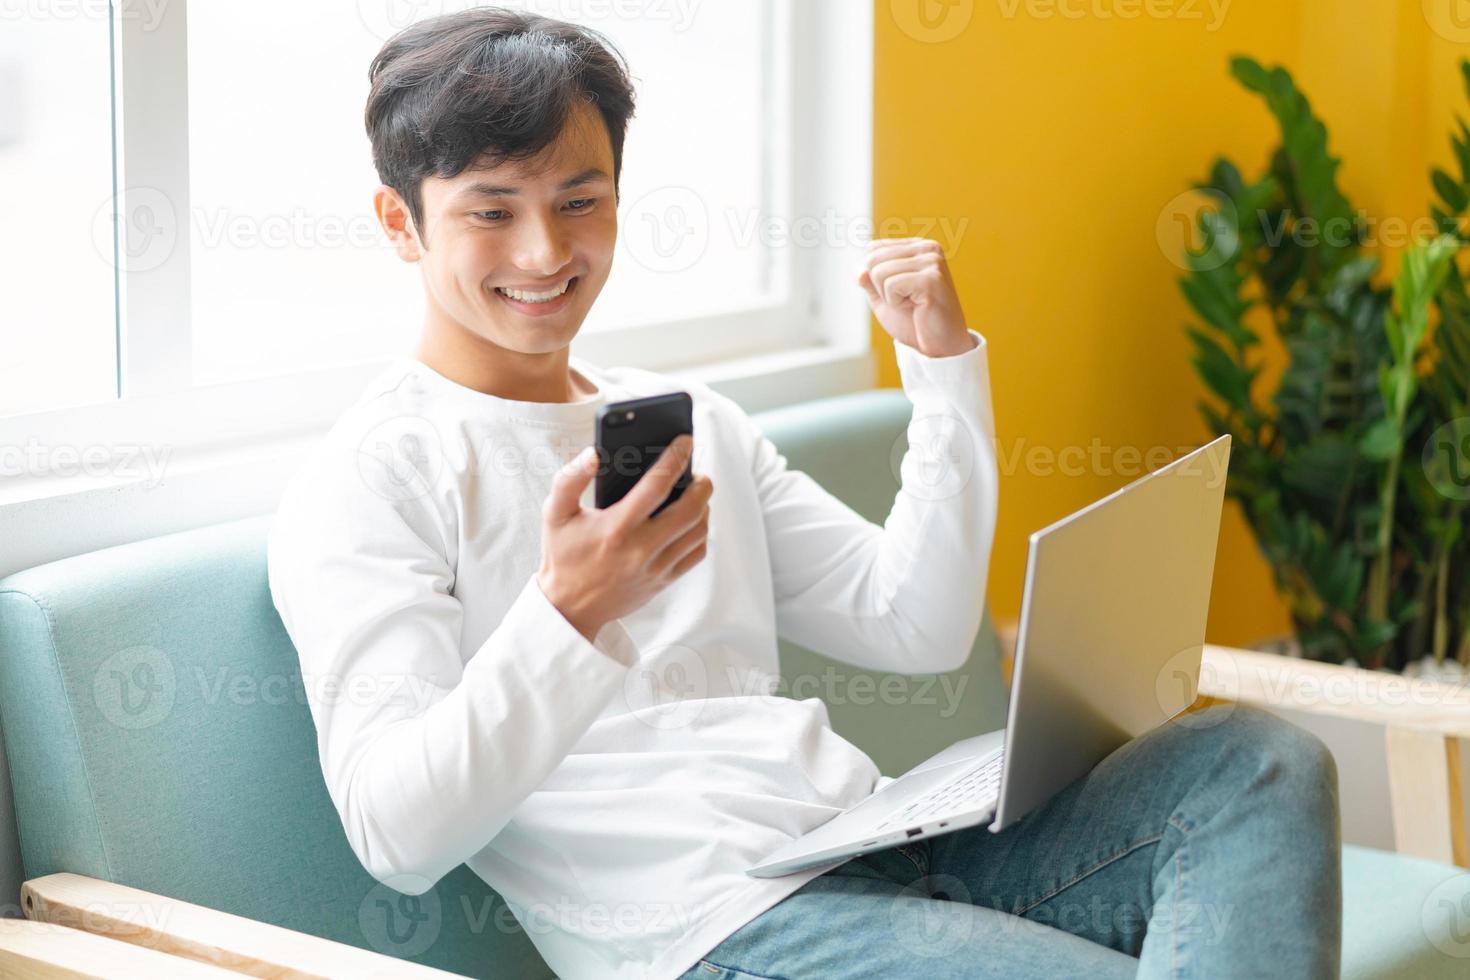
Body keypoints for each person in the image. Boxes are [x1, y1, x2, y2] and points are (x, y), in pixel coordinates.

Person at [266, 8, 1342, 978]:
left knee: (1253, 759)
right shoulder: (372, 477)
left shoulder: (691, 420)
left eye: (578, 201)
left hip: (870, 838)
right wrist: (570, 609)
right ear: (402, 224)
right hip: (708, 930)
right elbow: (395, 831)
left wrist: (944, 374)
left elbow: (914, 623)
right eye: (489, 213)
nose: (545, 250)